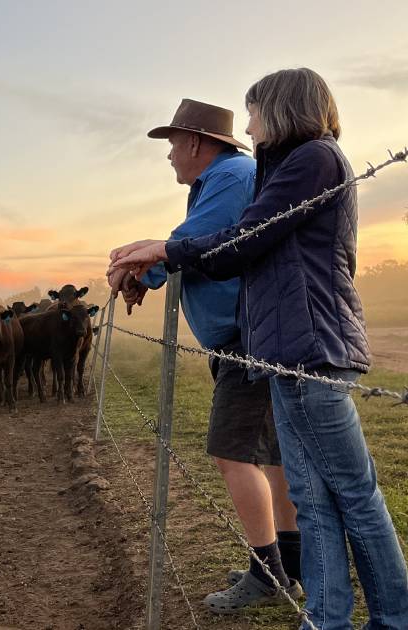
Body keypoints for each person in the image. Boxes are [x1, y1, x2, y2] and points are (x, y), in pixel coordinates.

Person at [108, 69, 408, 630]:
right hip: (285, 347)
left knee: (352, 494)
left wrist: (160, 252)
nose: (248, 126)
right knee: (316, 494)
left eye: (253, 113)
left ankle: (393, 620)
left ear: (278, 111)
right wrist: (164, 255)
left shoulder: (312, 161)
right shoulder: (287, 167)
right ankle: (328, 618)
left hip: (308, 346)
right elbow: (243, 243)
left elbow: (240, 241)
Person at [107, 98, 302, 612]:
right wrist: (145, 272)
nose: (169, 155)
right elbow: (200, 246)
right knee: (269, 454)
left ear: (195, 142)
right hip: (247, 337)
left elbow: (190, 243)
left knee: (231, 451)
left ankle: (269, 573)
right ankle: (289, 566)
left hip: (247, 340)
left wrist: (137, 272)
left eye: (172, 144)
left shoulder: (232, 175)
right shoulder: (219, 181)